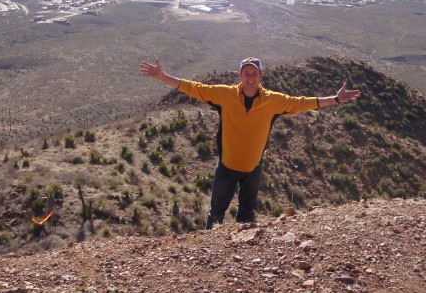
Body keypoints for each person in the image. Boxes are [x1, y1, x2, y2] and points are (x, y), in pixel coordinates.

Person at [139, 56, 362, 228]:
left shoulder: (274, 101)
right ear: (240, 75)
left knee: (246, 216)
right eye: (246, 73)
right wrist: (161, 76)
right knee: (216, 214)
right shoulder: (224, 95)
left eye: (254, 73)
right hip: (226, 167)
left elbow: (302, 103)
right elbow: (193, 87)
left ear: (260, 76)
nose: (250, 77)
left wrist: (335, 99)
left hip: (253, 169)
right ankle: (207, 252)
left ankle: (244, 256)